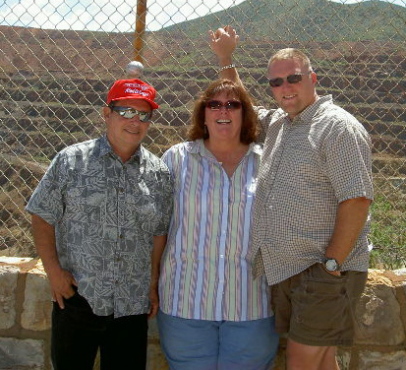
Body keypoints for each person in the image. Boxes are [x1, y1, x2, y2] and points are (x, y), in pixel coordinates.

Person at [210, 26, 374, 370]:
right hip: (292, 272)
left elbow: (357, 199)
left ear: (312, 78)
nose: (285, 88)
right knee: (320, 360)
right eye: (276, 82)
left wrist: (331, 266)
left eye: (293, 78)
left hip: (322, 271)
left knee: (301, 361)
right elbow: (243, 104)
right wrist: (226, 58)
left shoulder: (337, 127)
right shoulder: (282, 124)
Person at [26, 78, 173, 370]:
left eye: (144, 115)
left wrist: (153, 283)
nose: (136, 121)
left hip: (131, 304)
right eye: (127, 112)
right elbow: (42, 214)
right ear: (107, 114)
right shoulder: (71, 161)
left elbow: (159, 233)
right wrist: (53, 272)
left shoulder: (159, 173)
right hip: (78, 298)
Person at [157, 79, 279, 370]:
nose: (223, 110)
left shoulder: (267, 164)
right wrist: (151, 281)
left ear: (245, 114)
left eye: (233, 104)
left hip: (251, 304)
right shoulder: (176, 159)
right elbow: (158, 228)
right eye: (215, 104)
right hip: (184, 303)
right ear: (203, 113)